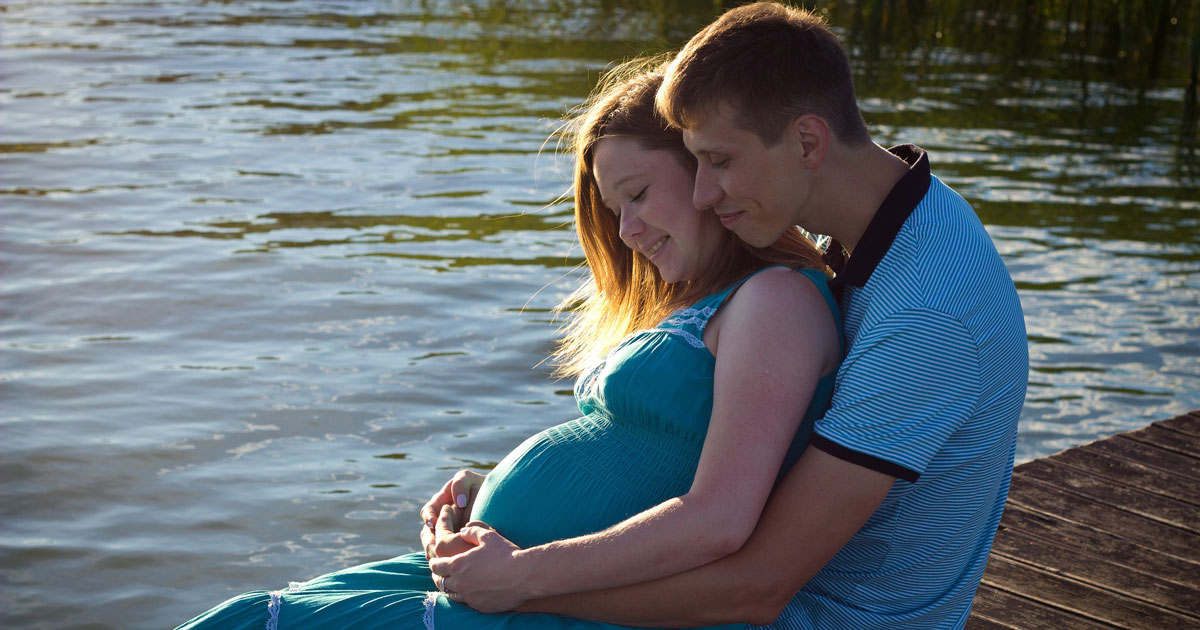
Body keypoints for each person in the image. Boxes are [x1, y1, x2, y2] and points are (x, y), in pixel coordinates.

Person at [174, 58, 842, 630]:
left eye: (638, 195)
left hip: (550, 600)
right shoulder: (711, 301)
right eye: (615, 213)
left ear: (705, 170)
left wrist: (521, 572)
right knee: (251, 613)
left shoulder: (774, 299)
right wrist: (488, 487)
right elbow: (648, 465)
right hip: (520, 584)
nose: (629, 230)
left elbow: (719, 518)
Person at [467, 3, 1026, 629]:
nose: (703, 193)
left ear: (808, 141)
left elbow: (757, 588)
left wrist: (521, 583)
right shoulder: (897, 221)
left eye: (721, 161)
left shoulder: (929, 313)